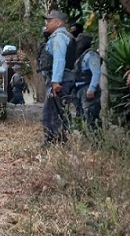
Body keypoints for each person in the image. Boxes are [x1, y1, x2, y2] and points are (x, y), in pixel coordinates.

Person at [41, 10, 76, 147]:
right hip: (65, 79)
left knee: (50, 112)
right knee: (59, 111)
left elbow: (59, 60)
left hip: (61, 80)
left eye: (50, 21)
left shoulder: (60, 37)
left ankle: (53, 142)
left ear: (58, 22)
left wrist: (56, 81)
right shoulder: (64, 36)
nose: (47, 24)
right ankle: (59, 141)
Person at [74, 33, 101, 129]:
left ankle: (96, 142)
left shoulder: (91, 55)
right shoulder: (82, 56)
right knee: (83, 117)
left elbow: (96, 73)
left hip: (88, 88)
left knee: (91, 117)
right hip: (80, 89)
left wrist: (92, 89)